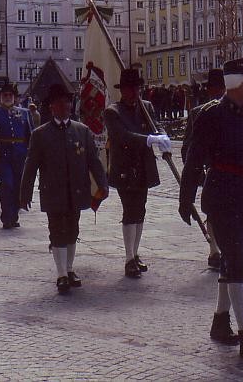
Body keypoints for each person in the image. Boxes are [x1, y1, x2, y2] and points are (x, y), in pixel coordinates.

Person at [180, 57, 243, 360]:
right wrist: (186, 198)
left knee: (232, 261)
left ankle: (221, 321)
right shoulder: (211, 116)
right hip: (223, 198)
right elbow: (194, 160)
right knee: (238, 262)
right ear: (237, 83)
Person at [21, 84, 109, 294]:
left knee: (72, 230)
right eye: (60, 103)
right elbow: (30, 165)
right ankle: (61, 274)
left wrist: (103, 184)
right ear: (52, 107)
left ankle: (69, 269)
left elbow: (93, 161)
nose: (65, 106)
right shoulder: (41, 134)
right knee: (57, 231)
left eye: (67, 102)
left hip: (77, 190)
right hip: (53, 190)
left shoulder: (82, 131)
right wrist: (24, 193)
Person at [104, 68, 169, 278]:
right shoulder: (113, 111)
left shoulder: (146, 107)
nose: (135, 93)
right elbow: (122, 136)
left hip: (143, 166)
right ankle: (128, 257)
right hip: (125, 168)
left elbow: (155, 124)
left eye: (137, 89)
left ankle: (136, 253)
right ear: (122, 90)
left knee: (140, 211)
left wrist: (162, 136)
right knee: (130, 211)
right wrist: (148, 139)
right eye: (130, 89)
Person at [180, 68, 226, 271]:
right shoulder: (198, 113)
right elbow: (188, 147)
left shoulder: (236, 109)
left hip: (229, 170)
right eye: (214, 88)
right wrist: (197, 171)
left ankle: (223, 250)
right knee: (214, 213)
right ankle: (214, 250)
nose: (218, 92)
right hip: (210, 169)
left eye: (221, 88)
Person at [0, 83, 32, 229]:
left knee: (18, 186)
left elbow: (31, 135)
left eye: (10, 95)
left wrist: (32, 152)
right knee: (7, 184)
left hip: (20, 155)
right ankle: (6, 216)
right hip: (3, 155)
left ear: (15, 97)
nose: (8, 97)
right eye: (5, 95)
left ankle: (14, 216)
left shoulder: (24, 113)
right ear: (0, 97)